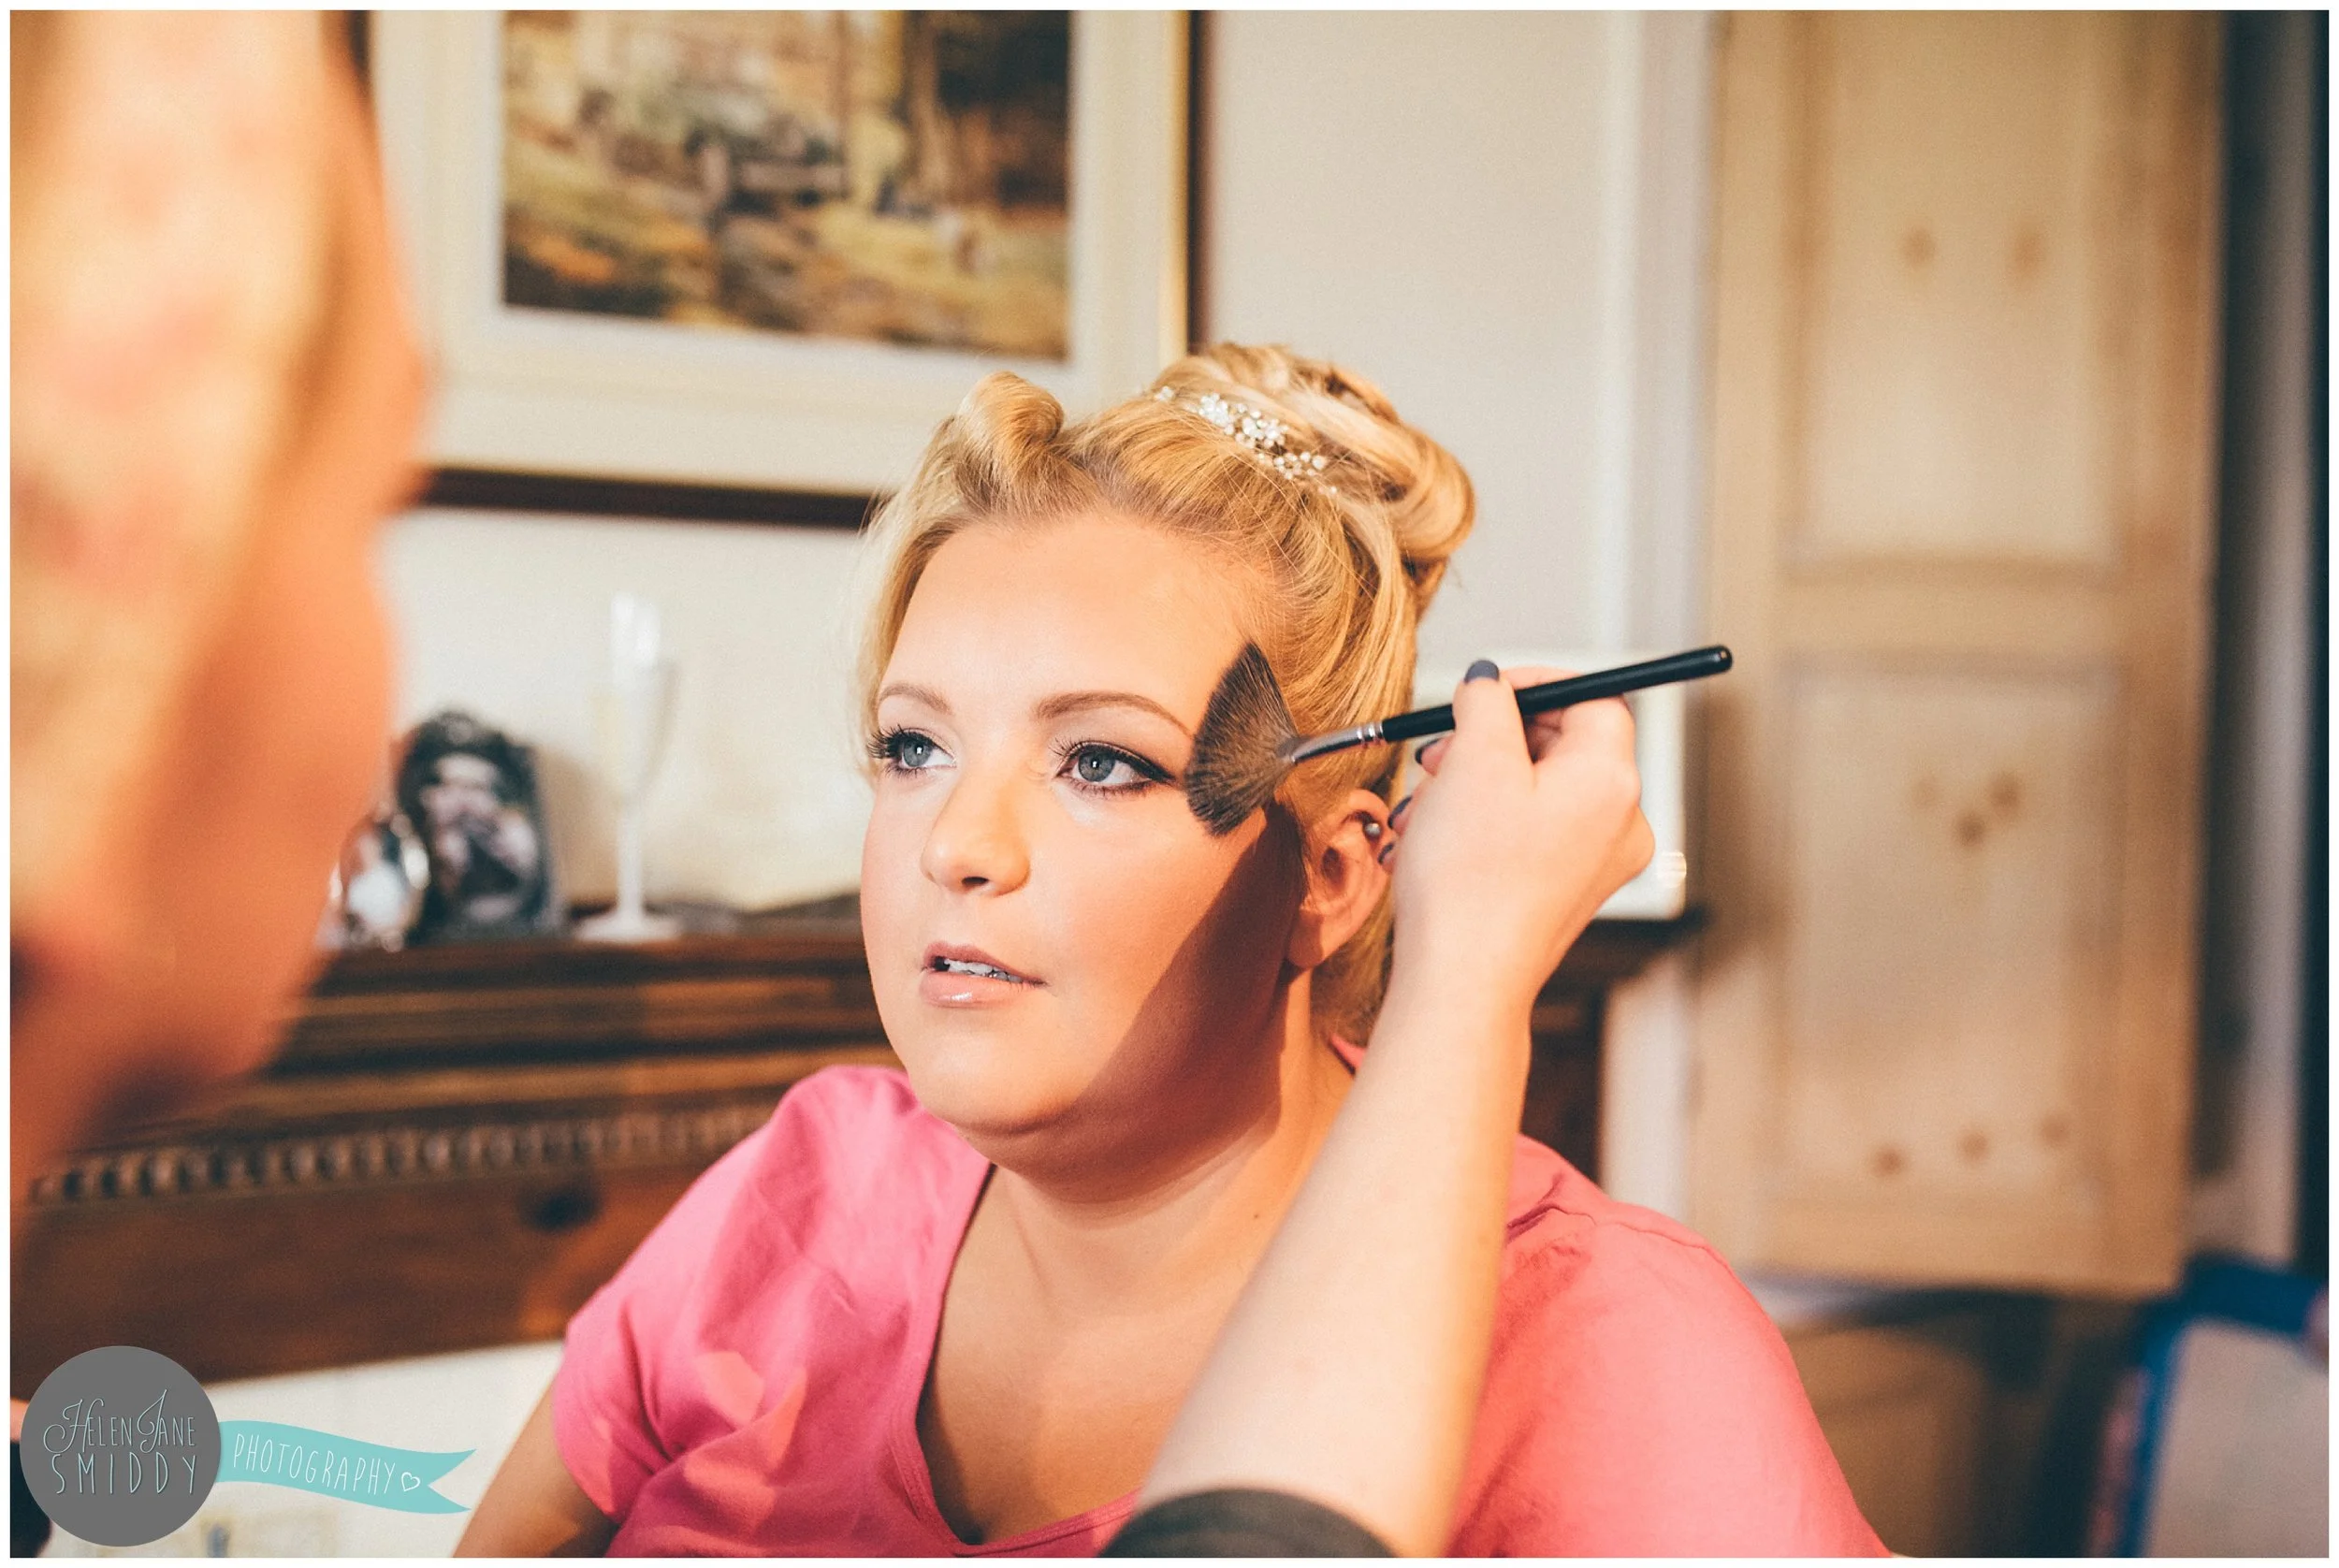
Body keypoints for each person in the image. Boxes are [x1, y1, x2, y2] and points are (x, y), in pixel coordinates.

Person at [458, 351, 1884, 1555]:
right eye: (914, 743)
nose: (961, 841)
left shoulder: (1619, 1346)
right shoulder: (810, 1188)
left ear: (1330, 879)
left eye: (1099, 760)